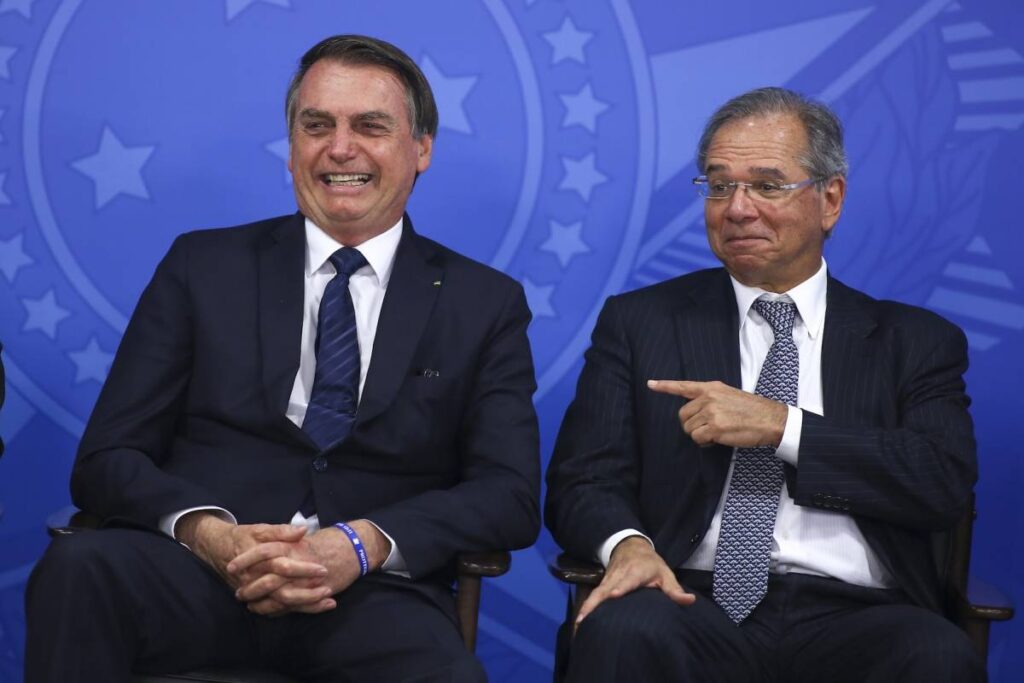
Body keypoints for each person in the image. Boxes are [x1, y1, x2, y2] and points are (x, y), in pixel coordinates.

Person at [25, 34, 540, 683]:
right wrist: (210, 533)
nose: (340, 148)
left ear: (421, 149)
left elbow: (508, 494)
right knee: (79, 569)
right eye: (316, 125)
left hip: (372, 597)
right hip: (196, 573)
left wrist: (361, 543)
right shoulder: (201, 267)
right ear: (292, 148)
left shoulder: (483, 302)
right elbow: (107, 459)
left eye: (370, 126)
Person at [545, 86, 984, 682]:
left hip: (861, 612)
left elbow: (940, 481)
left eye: (767, 186)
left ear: (830, 199)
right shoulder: (642, 322)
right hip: (686, 597)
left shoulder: (913, 341)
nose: (737, 208)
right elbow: (583, 478)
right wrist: (628, 546)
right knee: (622, 631)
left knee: (937, 656)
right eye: (719, 185)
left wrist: (783, 427)